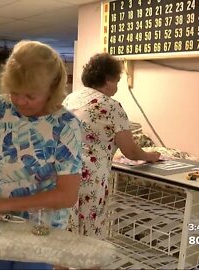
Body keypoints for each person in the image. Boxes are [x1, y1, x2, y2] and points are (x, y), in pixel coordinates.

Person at [0, 40, 82, 270]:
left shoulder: (66, 125)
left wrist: (4, 204)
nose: (21, 102)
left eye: (31, 96)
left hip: (40, 233)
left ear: (52, 89)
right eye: (15, 93)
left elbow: (66, 195)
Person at [63, 52, 160, 240]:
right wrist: (151, 156)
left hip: (64, 175)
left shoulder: (71, 99)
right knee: (91, 241)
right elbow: (131, 151)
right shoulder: (112, 107)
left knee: (64, 237)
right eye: (116, 81)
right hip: (90, 180)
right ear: (107, 80)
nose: (116, 87)